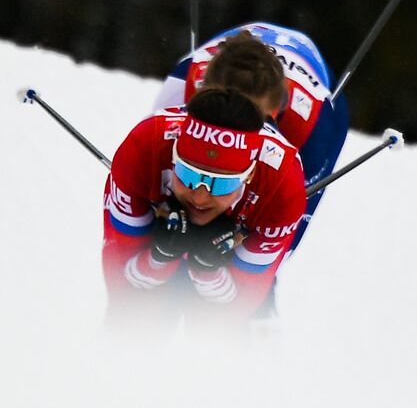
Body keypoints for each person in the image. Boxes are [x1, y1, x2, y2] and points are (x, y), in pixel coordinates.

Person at [101, 87, 307, 324]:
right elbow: (123, 285)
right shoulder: (142, 149)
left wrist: (206, 271)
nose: (199, 197)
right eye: (188, 174)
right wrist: (160, 257)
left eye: (221, 184)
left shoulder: (283, 188)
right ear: (173, 159)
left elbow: (239, 307)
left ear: (248, 176)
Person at [154, 23, 349, 251]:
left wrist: (243, 236)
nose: (230, 130)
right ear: (204, 93)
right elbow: (146, 178)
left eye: (251, 124)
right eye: (216, 113)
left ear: (274, 112)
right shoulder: (184, 84)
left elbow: (281, 238)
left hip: (319, 104)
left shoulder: (314, 129)